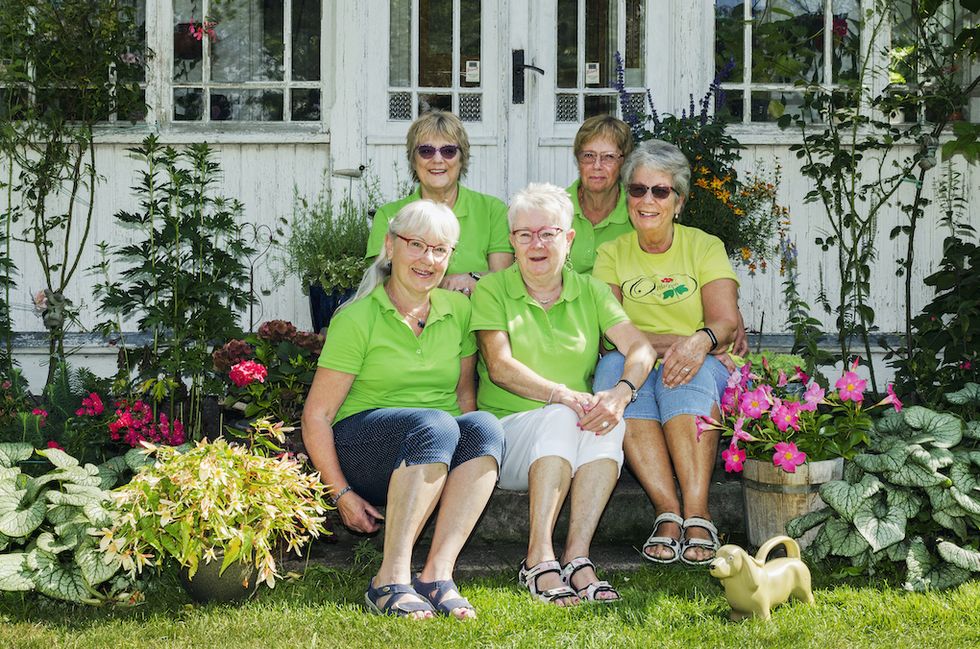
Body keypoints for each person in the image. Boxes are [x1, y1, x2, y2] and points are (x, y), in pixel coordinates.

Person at [303, 200, 504, 620]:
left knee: (485, 426)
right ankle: (388, 579)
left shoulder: (459, 311)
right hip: (363, 448)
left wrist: (459, 461)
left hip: (433, 444)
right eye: (416, 245)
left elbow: (465, 397)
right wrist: (340, 493)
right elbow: (316, 416)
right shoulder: (356, 319)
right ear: (391, 247)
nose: (428, 259)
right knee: (435, 425)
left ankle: (436, 575)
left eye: (440, 249)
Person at [471, 183, 655, 605]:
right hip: (508, 436)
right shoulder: (493, 290)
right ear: (512, 240)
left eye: (548, 233)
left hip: (571, 425)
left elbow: (641, 348)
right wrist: (561, 394)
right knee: (561, 415)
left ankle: (576, 557)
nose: (536, 244)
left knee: (608, 420)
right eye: (523, 234)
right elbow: (499, 367)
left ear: (568, 239)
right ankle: (537, 558)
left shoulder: (589, 290)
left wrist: (621, 393)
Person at [592, 139, 741, 566]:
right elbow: (609, 330)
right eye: (638, 190)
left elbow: (724, 322)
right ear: (627, 198)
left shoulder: (703, 246)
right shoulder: (611, 253)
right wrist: (688, 340)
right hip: (640, 359)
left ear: (679, 201)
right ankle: (667, 511)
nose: (647, 200)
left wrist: (699, 343)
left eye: (660, 191)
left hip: (697, 360)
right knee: (614, 368)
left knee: (685, 373)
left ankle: (697, 512)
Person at [366, 110, 514, 296]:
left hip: (477, 319)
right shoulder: (389, 216)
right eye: (426, 151)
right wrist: (446, 283)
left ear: (462, 158)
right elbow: (383, 285)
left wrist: (472, 277)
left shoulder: (492, 211)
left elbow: (502, 280)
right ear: (413, 160)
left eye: (448, 151)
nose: (437, 159)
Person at [565, 115, 636, 274]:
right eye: (588, 156)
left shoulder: (638, 211)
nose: (597, 166)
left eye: (608, 157)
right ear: (578, 160)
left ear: (624, 163)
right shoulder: (555, 208)